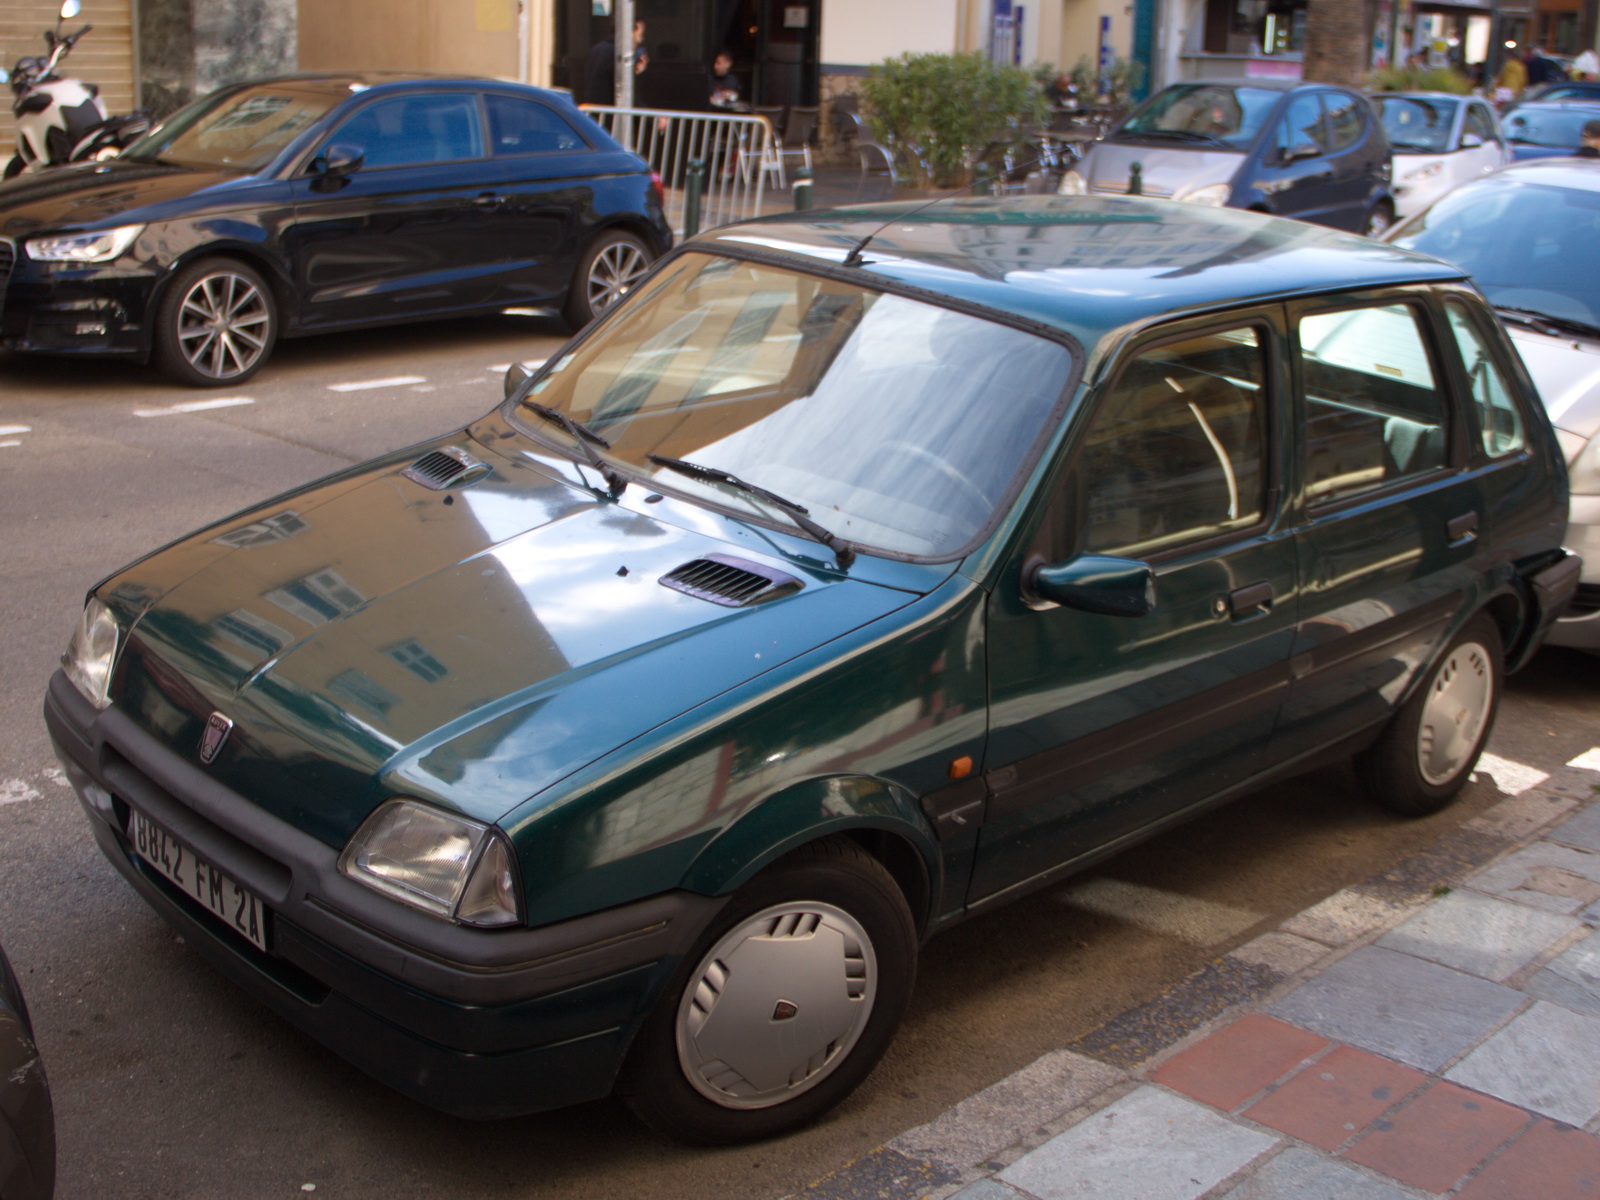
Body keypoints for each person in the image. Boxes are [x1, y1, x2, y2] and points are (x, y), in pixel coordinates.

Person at [583, 18, 647, 106]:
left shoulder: (597, 49)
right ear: (630, 32)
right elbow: (628, 91)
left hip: (594, 111)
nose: (640, 40)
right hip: (610, 113)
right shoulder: (621, 54)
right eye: (640, 35)